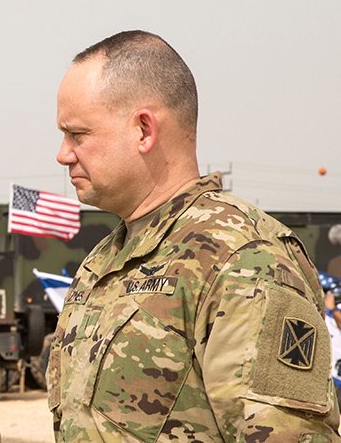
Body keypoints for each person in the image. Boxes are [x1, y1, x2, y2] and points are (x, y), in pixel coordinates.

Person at [48, 30, 341, 439]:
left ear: (144, 130)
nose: (63, 153)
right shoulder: (103, 262)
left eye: (77, 134)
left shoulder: (242, 260)